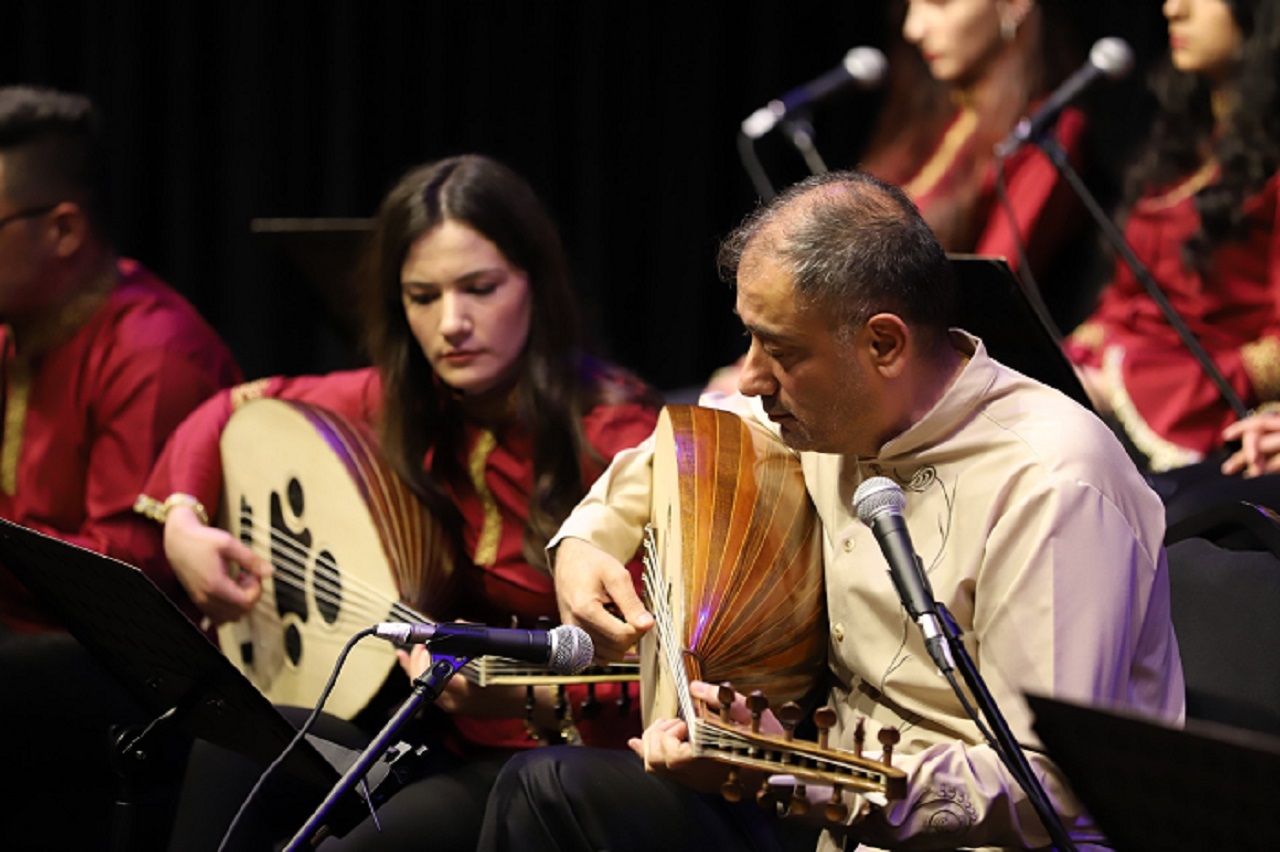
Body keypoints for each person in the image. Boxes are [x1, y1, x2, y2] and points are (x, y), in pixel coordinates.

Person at [479, 171, 1184, 851]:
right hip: (825, 811)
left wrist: (791, 775)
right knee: (548, 789)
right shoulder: (835, 412)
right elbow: (691, 444)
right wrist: (588, 539)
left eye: (778, 350)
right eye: (750, 337)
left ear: (883, 344)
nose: (750, 377)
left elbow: (1048, 786)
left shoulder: (1053, 483)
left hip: (969, 840)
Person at [143, 154, 662, 851]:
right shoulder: (397, 403)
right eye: (423, 296)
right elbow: (233, 407)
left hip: (551, 767)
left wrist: (517, 692)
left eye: (480, 288)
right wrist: (182, 520)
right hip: (427, 734)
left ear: (535, 284)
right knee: (231, 744)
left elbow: (654, 665)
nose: (452, 323)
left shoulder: (618, 439)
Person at [0, 85, 242, 848]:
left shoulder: (152, 352)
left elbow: (120, 596)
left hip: (140, 673)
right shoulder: (23, 330)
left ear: (63, 228)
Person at [707, 0, 1091, 394]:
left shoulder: (1043, 134)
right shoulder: (924, 120)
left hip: (919, 382)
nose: (914, 28)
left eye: (938, 5)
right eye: (909, 7)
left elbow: (983, 295)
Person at [1065, 0, 1280, 474]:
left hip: (1200, 406)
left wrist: (1126, 377)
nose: (1173, 9)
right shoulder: (1183, 143)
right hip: (1121, 373)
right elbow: (1122, 304)